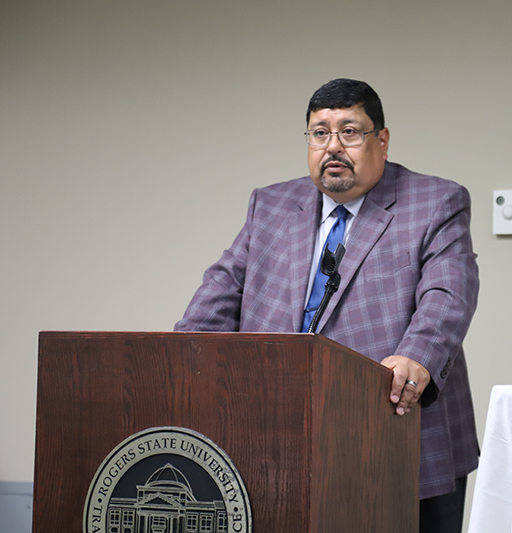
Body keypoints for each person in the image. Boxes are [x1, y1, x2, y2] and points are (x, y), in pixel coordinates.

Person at [175, 78, 479, 533]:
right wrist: (177, 354)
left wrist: (419, 354)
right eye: (320, 133)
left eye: (350, 131)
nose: (333, 147)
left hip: (394, 429)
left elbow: (448, 292)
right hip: (282, 432)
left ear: (382, 139)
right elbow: (224, 287)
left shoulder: (435, 201)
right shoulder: (272, 204)